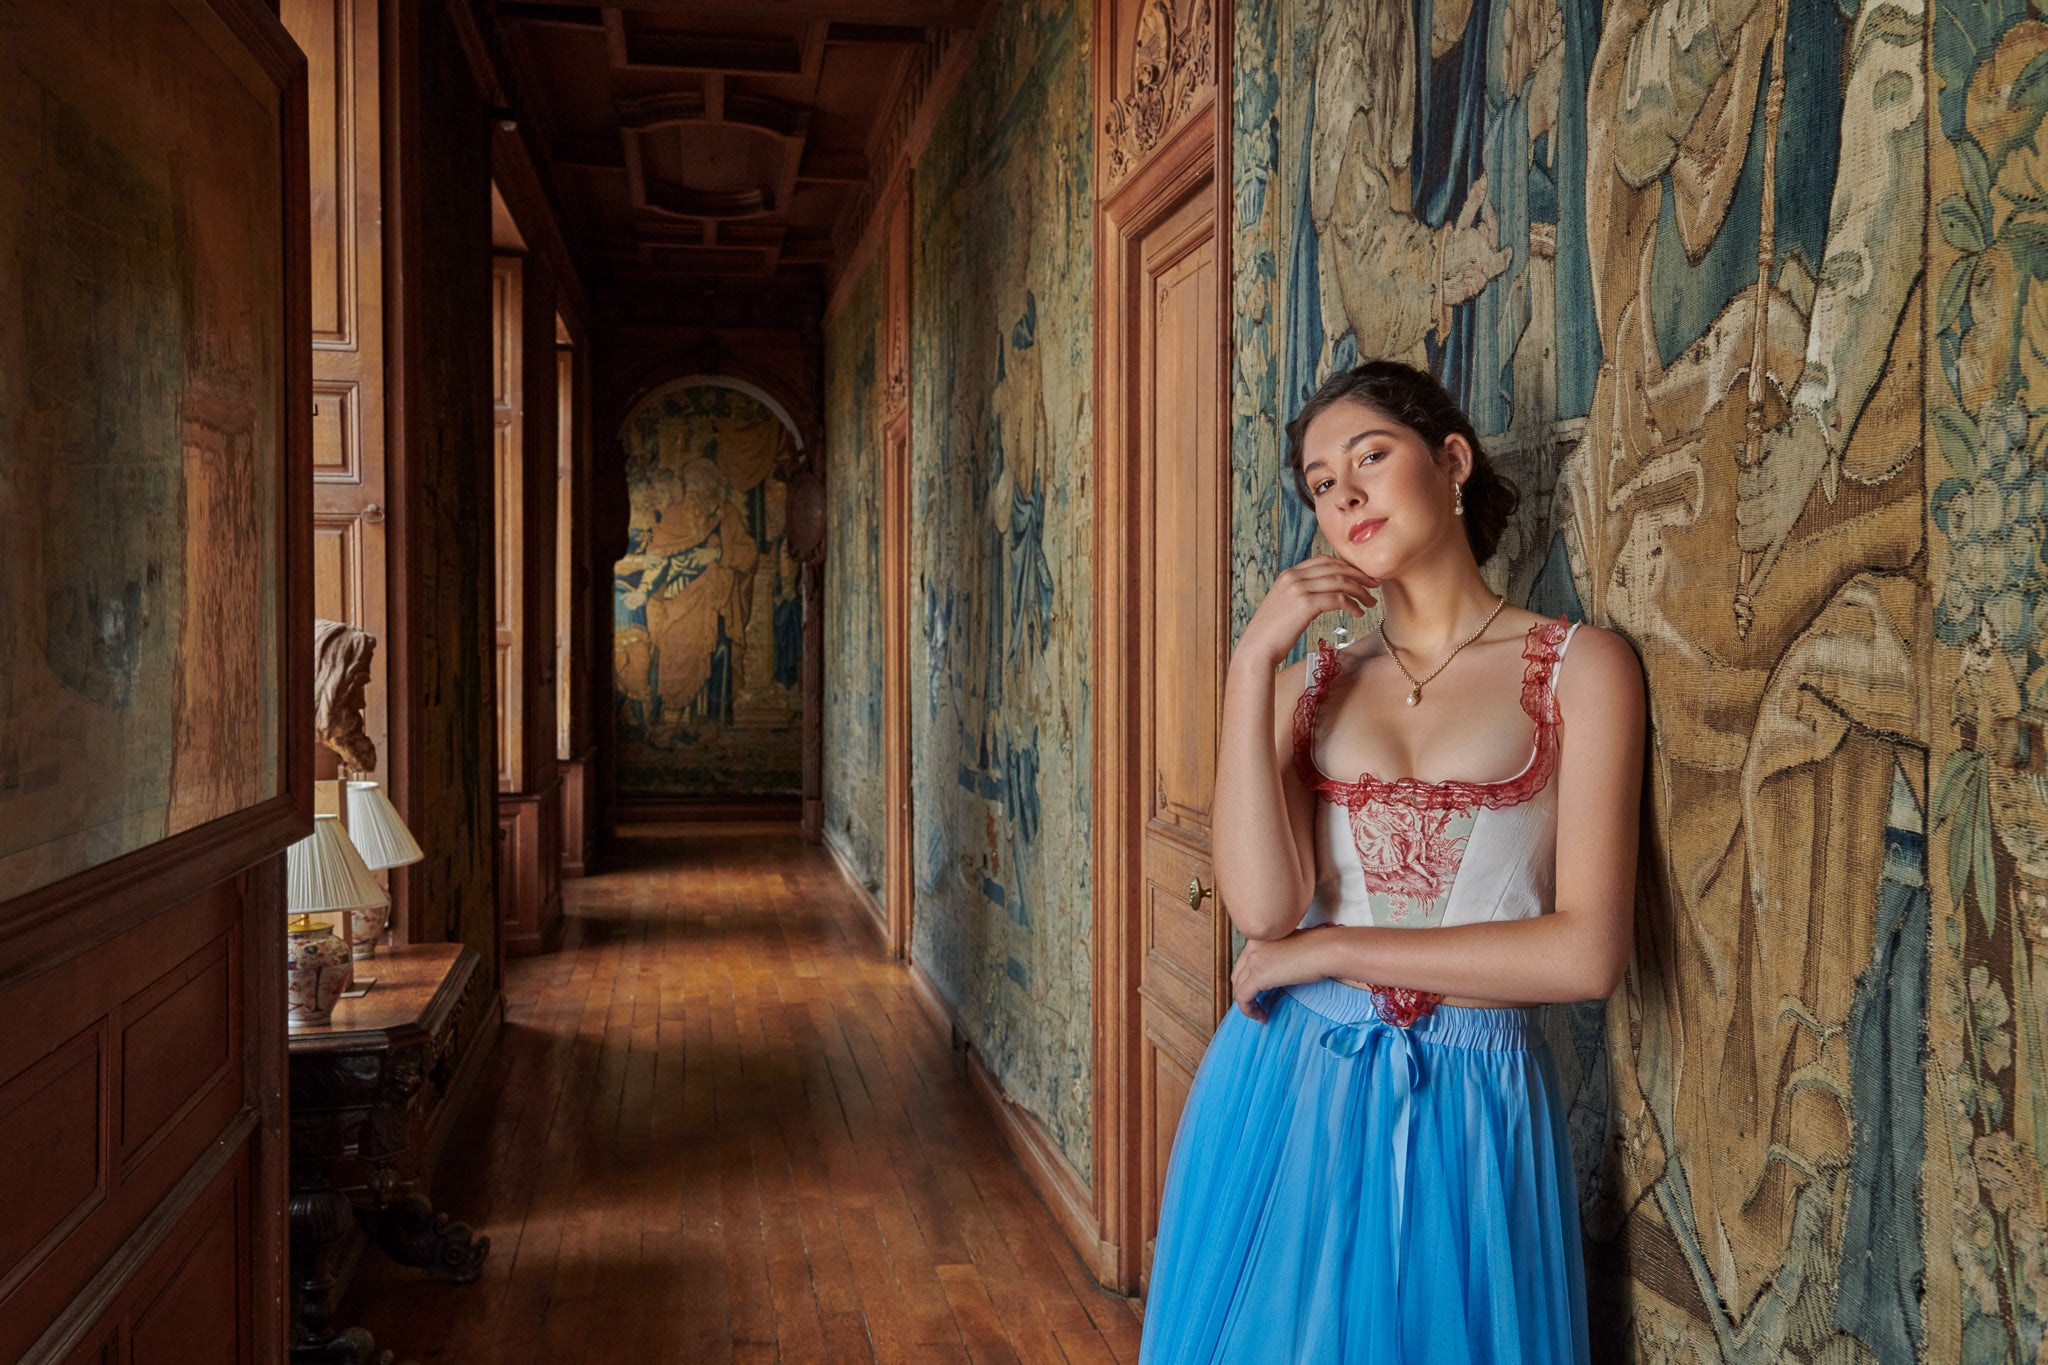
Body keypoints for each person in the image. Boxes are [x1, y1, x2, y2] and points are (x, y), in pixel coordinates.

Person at [1138, 360, 1645, 1363]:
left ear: (1449, 460)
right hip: (1288, 1082)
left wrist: (1332, 954)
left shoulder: (1581, 669)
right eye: (1322, 484)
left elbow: (1583, 958)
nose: (1346, 495)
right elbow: (1264, 908)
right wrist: (1251, 670)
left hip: (1472, 1092)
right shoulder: (1305, 688)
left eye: (1369, 456)